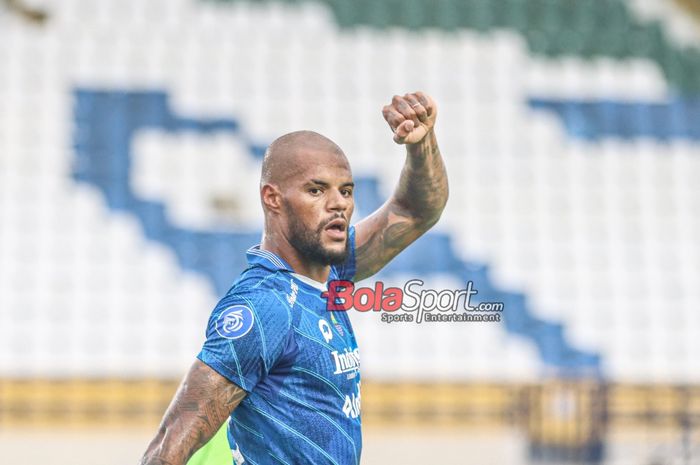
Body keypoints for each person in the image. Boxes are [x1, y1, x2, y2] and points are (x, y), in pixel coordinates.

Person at [139, 91, 448, 465]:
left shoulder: (330, 272)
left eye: (346, 191)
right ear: (272, 198)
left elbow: (416, 210)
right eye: (316, 190)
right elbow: (170, 443)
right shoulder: (263, 305)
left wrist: (422, 145)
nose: (339, 204)